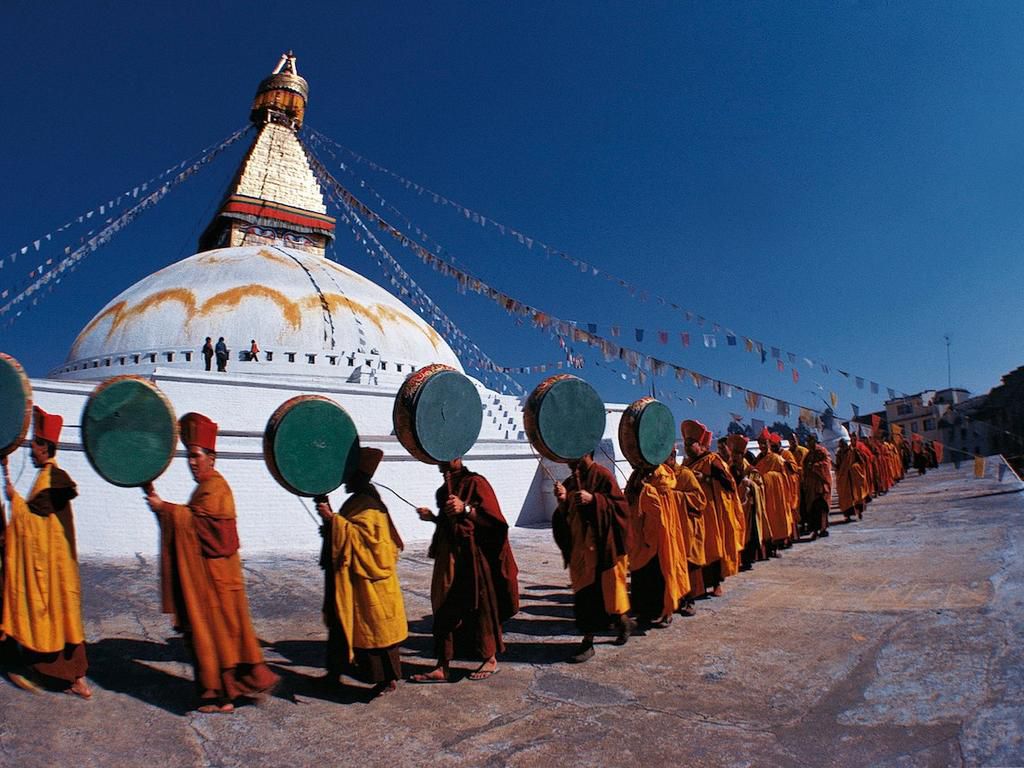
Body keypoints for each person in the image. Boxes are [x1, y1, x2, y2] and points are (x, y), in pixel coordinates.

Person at [144, 412, 278, 713]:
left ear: (211, 458)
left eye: (196, 456)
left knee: (218, 637)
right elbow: (192, 521)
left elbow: (207, 529)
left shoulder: (217, 488)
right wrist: (160, 505)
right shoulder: (204, 488)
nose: (192, 462)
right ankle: (224, 695)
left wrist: (165, 508)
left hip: (218, 583)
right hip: (210, 581)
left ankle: (222, 696)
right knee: (216, 637)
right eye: (188, 457)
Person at [0, 407, 92, 698]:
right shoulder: (55, 477)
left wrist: (14, 499)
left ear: (45, 447)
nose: (30, 452)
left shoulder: (49, 480)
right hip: (60, 562)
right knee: (67, 618)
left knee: (50, 617)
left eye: (33, 446)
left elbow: (35, 525)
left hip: (50, 565)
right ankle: (78, 679)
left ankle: (64, 678)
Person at [412, 457, 519, 682]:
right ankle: (443, 665)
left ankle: (490, 658)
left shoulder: (476, 483)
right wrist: (433, 518)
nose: (441, 462)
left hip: (474, 558)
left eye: (445, 458)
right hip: (449, 557)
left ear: (458, 457)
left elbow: (497, 524)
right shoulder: (443, 491)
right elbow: (449, 523)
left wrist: (466, 508)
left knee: (480, 610)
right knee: (444, 608)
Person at [315, 448, 406, 697]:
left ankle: (387, 680)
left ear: (358, 477)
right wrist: (332, 521)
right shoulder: (358, 500)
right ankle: (334, 674)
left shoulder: (367, 503)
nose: (344, 481)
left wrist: (334, 520)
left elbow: (369, 544)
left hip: (372, 582)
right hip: (351, 579)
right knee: (342, 624)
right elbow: (347, 531)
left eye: (348, 476)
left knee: (377, 633)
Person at [552, 452, 633, 663]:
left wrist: (595, 499)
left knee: (607, 595)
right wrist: (563, 501)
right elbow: (567, 517)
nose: (568, 462)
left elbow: (621, 508)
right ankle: (589, 641)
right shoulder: (571, 482)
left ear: (586, 453)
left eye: (571, 457)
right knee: (586, 598)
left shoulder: (603, 475)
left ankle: (621, 622)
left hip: (603, 549)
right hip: (581, 549)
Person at [680, 420, 742, 597]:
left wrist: (706, 479)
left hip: (711, 512)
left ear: (700, 444)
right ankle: (697, 585)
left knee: (712, 546)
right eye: (685, 444)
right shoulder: (686, 464)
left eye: (690, 443)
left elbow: (729, 484)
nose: (687, 447)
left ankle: (716, 584)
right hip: (692, 512)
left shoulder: (712, 460)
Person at [624, 463, 689, 629]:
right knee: (642, 577)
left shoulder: (662, 476)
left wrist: (647, 489)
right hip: (640, 537)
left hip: (660, 535)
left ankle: (666, 612)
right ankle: (645, 614)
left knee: (661, 574)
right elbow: (629, 499)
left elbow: (658, 508)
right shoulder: (636, 475)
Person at [728, 433, 767, 568]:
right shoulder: (728, 469)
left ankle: (748, 560)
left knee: (749, 534)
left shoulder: (751, 470)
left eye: (737, 454)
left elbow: (760, 486)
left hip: (748, 509)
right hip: (734, 507)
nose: (734, 457)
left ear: (742, 455)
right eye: (733, 453)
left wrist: (750, 483)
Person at [800, 436, 832, 539]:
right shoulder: (808, 454)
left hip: (820, 486)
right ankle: (814, 530)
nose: (808, 444)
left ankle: (822, 529)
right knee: (812, 510)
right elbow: (804, 465)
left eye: (810, 441)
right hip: (811, 487)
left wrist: (815, 466)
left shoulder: (821, 451)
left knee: (821, 508)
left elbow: (826, 465)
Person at [835, 437, 868, 521]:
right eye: (841, 446)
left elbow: (861, 462)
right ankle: (847, 516)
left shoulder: (854, 451)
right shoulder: (839, 453)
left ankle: (859, 512)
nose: (843, 447)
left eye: (844, 445)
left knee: (857, 495)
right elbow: (838, 466)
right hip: (844, 478)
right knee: (846, 497)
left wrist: (854, 467)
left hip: (854, 477)